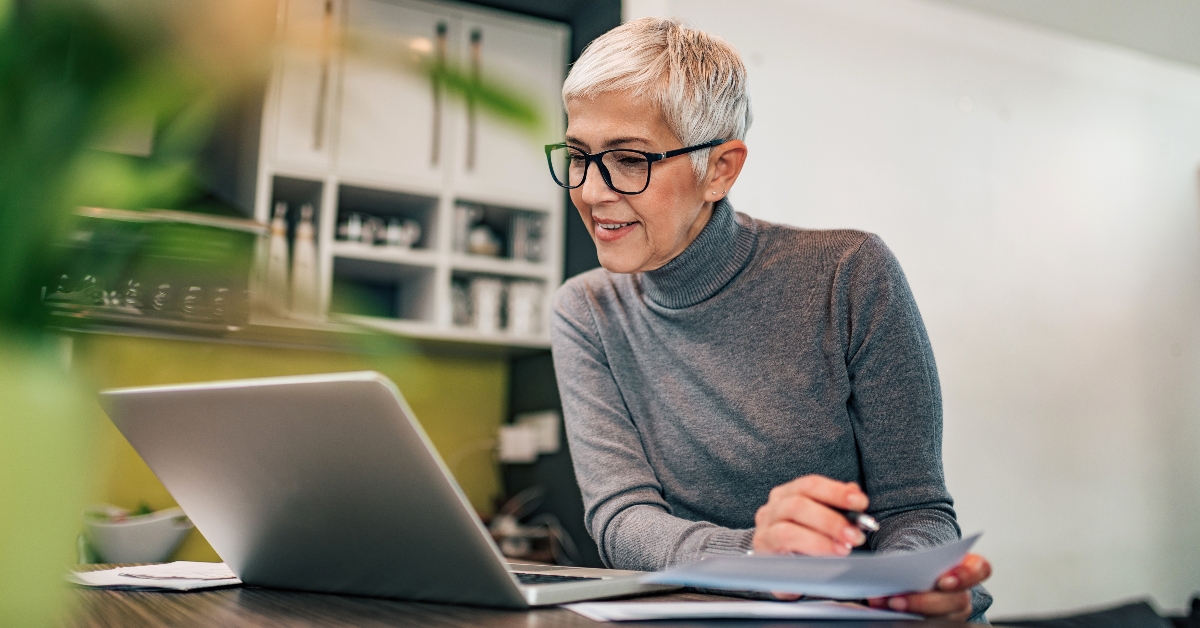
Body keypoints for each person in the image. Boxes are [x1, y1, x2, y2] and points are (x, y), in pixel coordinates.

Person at [546, 17, 994, 623]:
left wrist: (908, 581)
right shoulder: (587, 310)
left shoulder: (848, 274)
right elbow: (621, 519)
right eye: (577, 155)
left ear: (721, 169)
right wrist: (755, 554)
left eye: (628, 160)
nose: (591, 192)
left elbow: (916, 511)